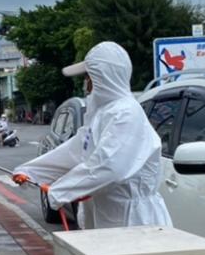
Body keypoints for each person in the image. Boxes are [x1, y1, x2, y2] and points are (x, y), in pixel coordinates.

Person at [11, 41, 171, 229]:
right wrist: (30, 172)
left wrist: (60, 191)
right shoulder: (103, 115)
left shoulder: (126, 114)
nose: (85, 83)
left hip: (134, 219)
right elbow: (76, 153)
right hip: (107, 213)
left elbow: (109, 166)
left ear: (102, 78)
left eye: (88, 77)